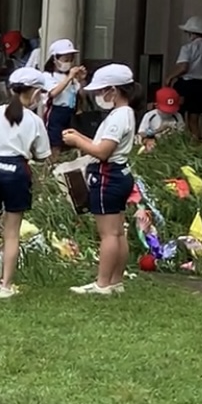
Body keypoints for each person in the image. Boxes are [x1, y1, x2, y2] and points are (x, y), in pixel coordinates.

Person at [0, 67, 52, 299]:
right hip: (16, 172)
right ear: (34, 93)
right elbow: (43, 155)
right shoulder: (34, 120)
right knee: (11, 232)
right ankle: (5, 286)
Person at [64, 64, 137, 296]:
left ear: (113, 91)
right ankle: (115, 281)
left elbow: (102, 151)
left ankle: (102, 283)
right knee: (117, 231)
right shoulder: (126, 113)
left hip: (107, 175)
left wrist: (76, 142)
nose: (98, 96)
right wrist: (80, 136)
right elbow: (100, 143)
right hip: (119, 174)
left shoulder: (118, 117)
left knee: (108, 234)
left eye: (101, 91)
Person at [164, 16, 202, 139]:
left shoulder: (187, 48)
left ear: (191, 33)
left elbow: (183, 67)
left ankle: (180, 142)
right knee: (194, 120)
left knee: (178, 116)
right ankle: (196, 145)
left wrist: (169, 77)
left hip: (186, 85)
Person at [40, 39, 84, 153]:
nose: (68, 63)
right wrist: (69, 77)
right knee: (55, 145)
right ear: (54, 59)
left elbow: (80, 94)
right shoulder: (47, 76)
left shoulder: (71, 77)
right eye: (65, 59)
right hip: (55, 112)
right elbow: (53, 93)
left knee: (72, 144)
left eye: (71, 59)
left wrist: (81, 79)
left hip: (70, 112)